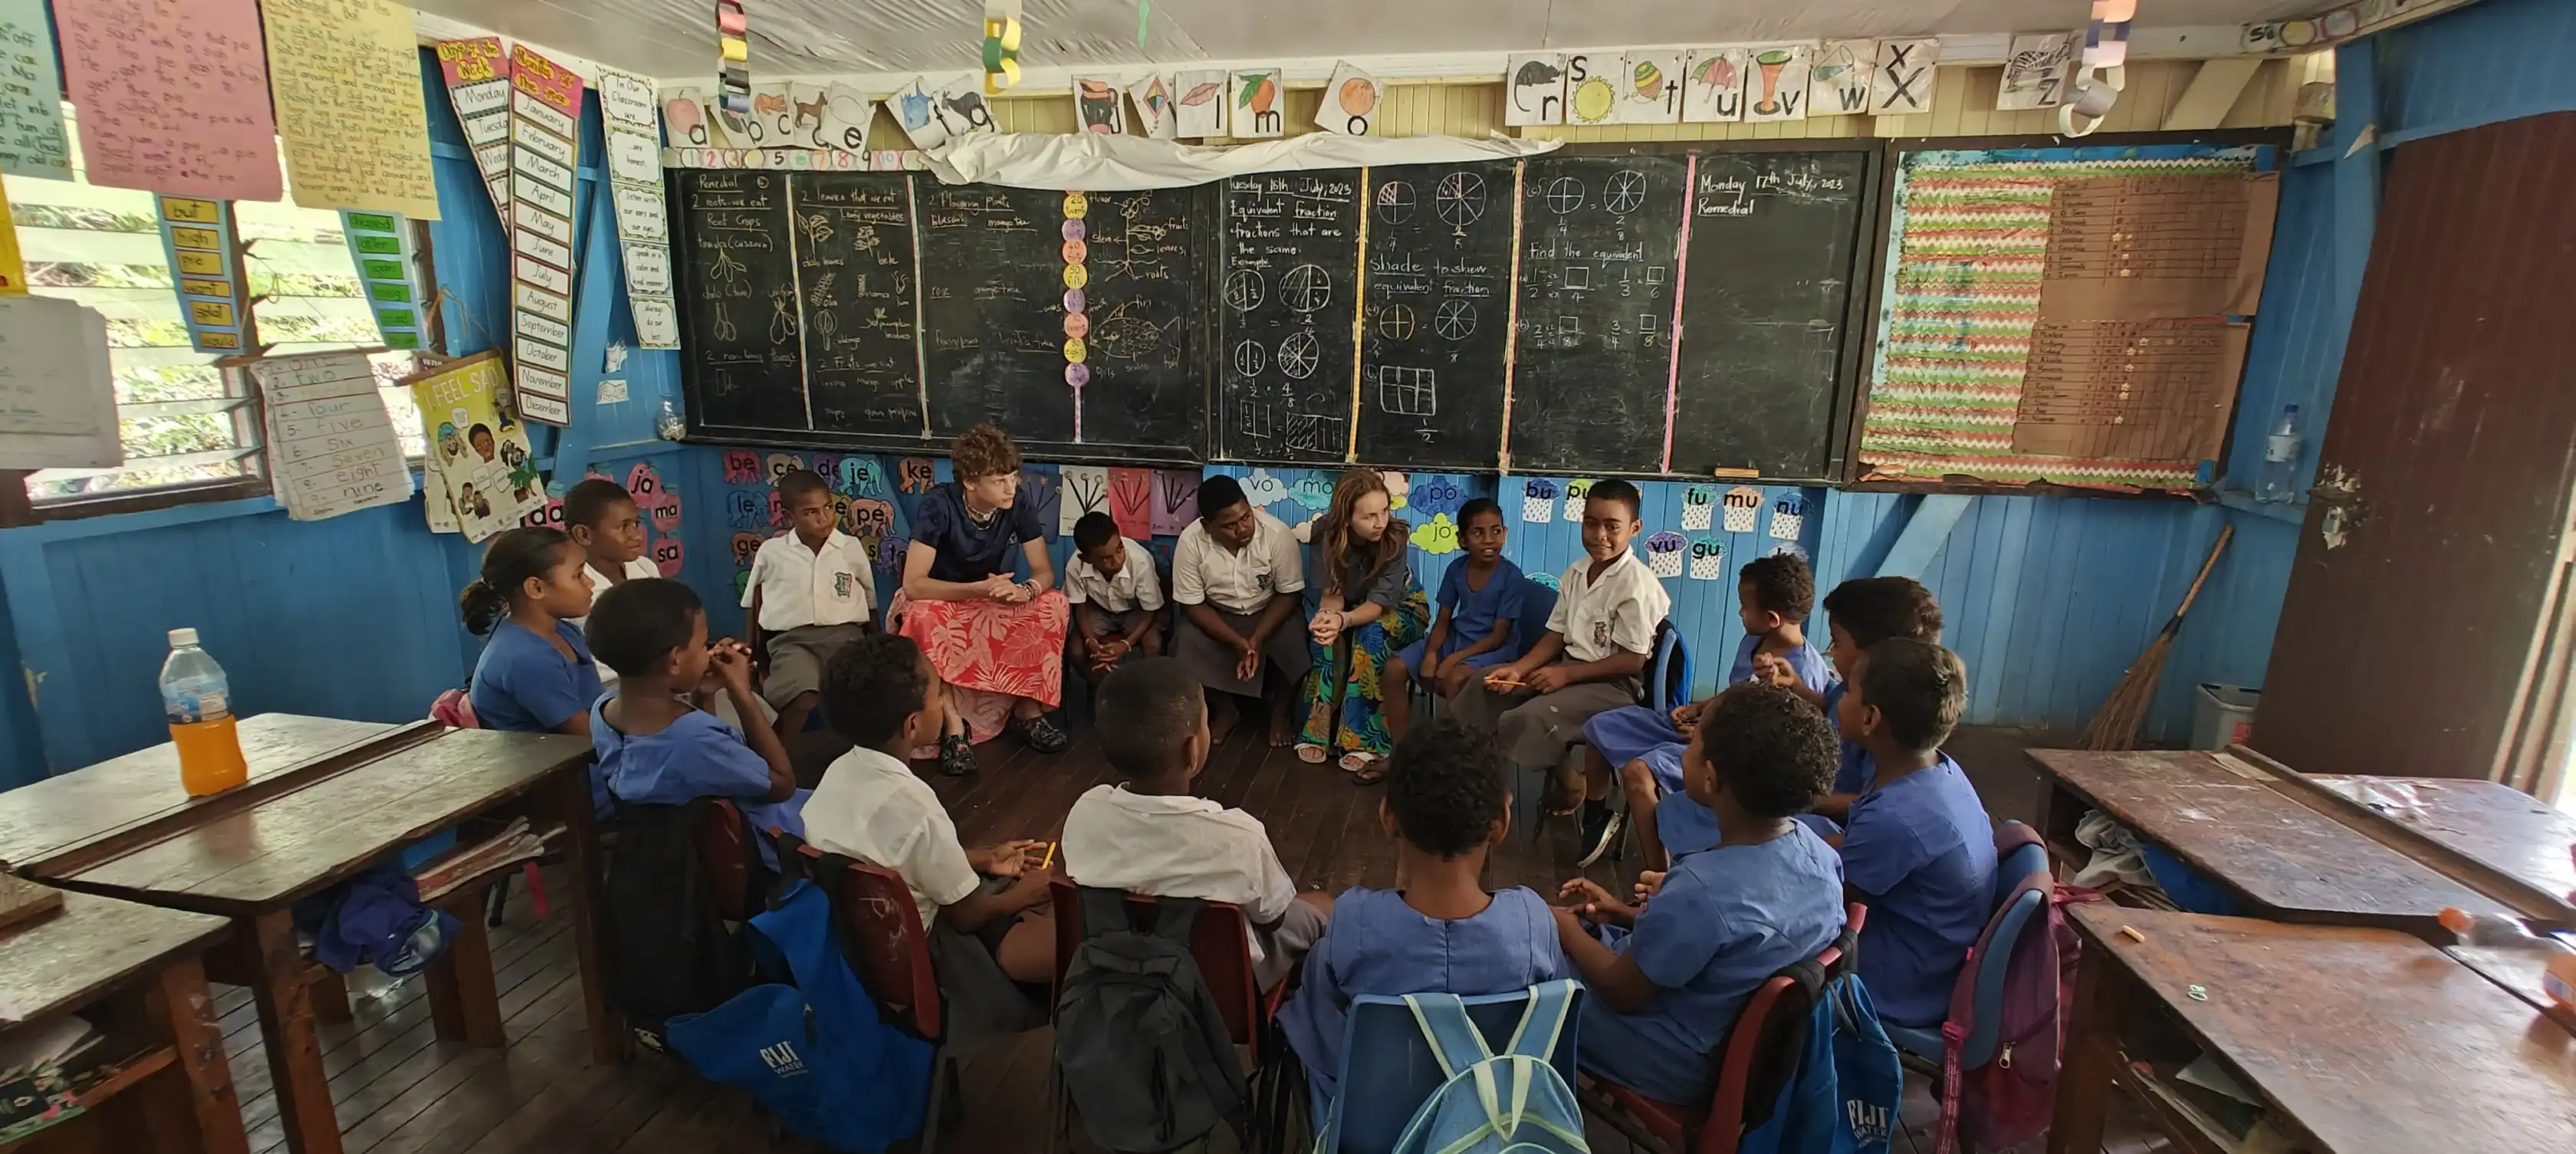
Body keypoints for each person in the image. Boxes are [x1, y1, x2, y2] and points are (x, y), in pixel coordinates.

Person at [1553, 684, 1845, 1107]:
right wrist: (1626, 914)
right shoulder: (1820, 856)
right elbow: (1737, 941)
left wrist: (1562, 927)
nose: (1680, 753)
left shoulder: (1701, 890)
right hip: (1746, 1054)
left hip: (1674, 1058)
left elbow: (1620, 990)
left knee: (1533, 967)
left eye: (1692, 746)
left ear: (1711, 777)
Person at [1278, 719, 1570, 1103]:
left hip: (1374, 1124)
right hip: (1495, 1120)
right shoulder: (1534, 923)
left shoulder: (1353, 921)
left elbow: (1317, 1015)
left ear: (1388, 818)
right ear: (1501, 823)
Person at [803, 634, 1056, 997]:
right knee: (1054, 922)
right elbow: (966, 915)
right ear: (912, 725)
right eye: (939, 695)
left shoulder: (839, 772)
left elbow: (895, 855)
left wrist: (984, 859)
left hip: (860, 940)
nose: (944, 702)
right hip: (920, 954)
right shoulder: (914, 804)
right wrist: (1026, 895)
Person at [1060, 658, 1332, 990]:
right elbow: (1273, 919)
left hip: (1115, 972)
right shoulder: (1239, 835)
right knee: (1322, 908)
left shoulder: (1085, 813)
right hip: (1219, 991)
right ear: (1192, 749)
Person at [1452, 478, 1670, 863]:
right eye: (1591, 523)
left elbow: (1632, 660)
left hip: (1613, 685)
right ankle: (1473, 785)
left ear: (1634, 529)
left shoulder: (1637, 584)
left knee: (1530, 716)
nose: (1599, 535)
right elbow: (1555, 636)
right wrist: (1518, 669)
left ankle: (1570, 793)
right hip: (1569, 669)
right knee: (1484, 684)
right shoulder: (1577, 571)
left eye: (1612, 526)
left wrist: (1564, 676)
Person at [1589, 553, 1835, 870]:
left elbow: (1771, 748)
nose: (1740, 613)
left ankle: (1658, 875)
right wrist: (1701, 708)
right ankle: (1597, 819)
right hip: (1709, 727)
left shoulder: (1804, 671)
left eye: (1745, 606)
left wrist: (1707, 732)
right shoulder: (1755, 641)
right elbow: (1739, 692)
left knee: (1638, 773)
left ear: (1773, 618)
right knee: (1601, 725)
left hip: (1730, 751)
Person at [585, 578, 806, 869]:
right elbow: (782, 785)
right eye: (703, 645)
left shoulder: (604, 709)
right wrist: (742, 692)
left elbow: (699, 769)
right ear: (675, 660)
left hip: (687, 854)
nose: (708, 653)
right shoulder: (694, 739)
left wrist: (704, 694)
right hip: (760, 847)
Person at [1832, 638, 1994, 1030]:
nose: (1840, 698)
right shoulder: (1934, 771)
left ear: (1870, 718)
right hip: (1932, 952)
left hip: (1899, 983)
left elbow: (1824, 896)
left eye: (1848, 690)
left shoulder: (1897, 818)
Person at [897, 425, 1071, 777]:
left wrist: (1026, 591)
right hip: (941, 597)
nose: (1010, 487)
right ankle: (953, 726)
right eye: (999, 480)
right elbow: (914, 585)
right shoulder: (939, 503)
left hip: (990, 594)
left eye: (1013, 477)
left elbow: (1043, 572)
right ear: (970, 482)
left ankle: (1027, 710)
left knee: (1054, 604)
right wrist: (976, 590)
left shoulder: (1017, 501)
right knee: (922, 616)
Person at [1297, 469, 1429, 781]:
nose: (1380, 522)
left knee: (1370, 634)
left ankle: (1365, 740)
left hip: (1403, 608)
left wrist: (1343, 620)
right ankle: (1318, 731)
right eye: (1369, 516)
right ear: (1346, 519)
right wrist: (1328, 621)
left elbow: (1378, 605)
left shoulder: (1394, 538)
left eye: (1384, 510)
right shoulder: (1325, 534)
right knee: (1325, 638)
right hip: (1351, 607)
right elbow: (1332, 596)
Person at [1171, 474, 1310, 748]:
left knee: (1294, 636)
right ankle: (1225, 710)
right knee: (1184, 641)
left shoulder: (1277, 534)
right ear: (1207, 525)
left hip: (1269, 612)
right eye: (1230, 525)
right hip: (1217, 615)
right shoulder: (1190, 542)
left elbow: (1289, 594)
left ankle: (1280, 715)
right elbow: (1192, 605)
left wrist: (1256, 638)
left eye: (1246, 517)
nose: (1243, 528)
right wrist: (1236, 642)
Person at [743, 469, 873, 751]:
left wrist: (875, 643)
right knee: (803, 696)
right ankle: (775, 760)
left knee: (860, 696)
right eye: (810, 512)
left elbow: (869, 600)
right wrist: (754, 658)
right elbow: (754, 603)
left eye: (828, 507)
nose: (824, 518)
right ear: (789, 516)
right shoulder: (772, 552)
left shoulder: (849, 547)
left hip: (846, 639)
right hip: (793, 642)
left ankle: (859, 760)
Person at [1383, 498, 1522, 746]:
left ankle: (1452, 756)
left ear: (1505, 533)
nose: (1489, 540)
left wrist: (1452, 660)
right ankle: (1399, 751)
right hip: (1457, 639)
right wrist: (1431, 655)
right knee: (1394, 668)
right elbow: (1443, 620)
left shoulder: (1511, 577)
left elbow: (1499, 636)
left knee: (1456, 678)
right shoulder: (1457, 569)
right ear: (1462, 539)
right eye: (1478, 533)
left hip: (1493, 649)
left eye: (1496, 531)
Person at [462, 527, 602, 738]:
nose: (590, 583)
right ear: (536, 588)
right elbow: (587, 736)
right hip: (557, 756)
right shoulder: (525, 657)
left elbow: (597, 710)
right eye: (578, 575)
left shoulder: (565, 631)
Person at [1063, 511, 1167, 686]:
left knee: (1153, 644)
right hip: (1099, 610)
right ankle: (1101, 688)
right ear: (1086, 559)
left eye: (1119, 549)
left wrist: (1126, 644)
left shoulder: (1140, 561)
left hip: (1136, 610)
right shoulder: (1075, 565)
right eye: (1106, 558)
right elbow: (1080, 608)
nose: (1117, 560)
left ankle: (1148, 690)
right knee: (1076, 651)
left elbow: (1150, 611)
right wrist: (1091, 641)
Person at [563, 478, 658, 655]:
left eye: (636, 524)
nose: (637, 536)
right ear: (584, 535)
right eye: (623, 527)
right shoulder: (570, 588)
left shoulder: (645, 568)